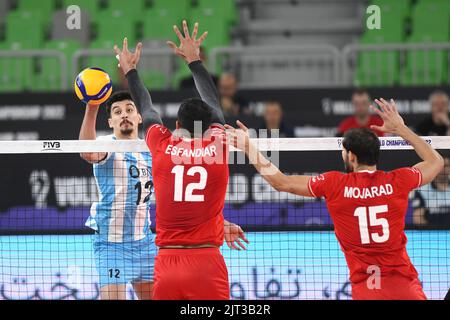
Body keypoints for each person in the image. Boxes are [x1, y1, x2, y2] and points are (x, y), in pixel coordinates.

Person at [226, 98, 444, 300]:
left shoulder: (334, 184)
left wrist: (248, 148)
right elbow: (436, 161)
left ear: (351, 156)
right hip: (405, 287)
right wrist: (402, 129)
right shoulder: (399, 180)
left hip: (367, 289)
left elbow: (280, 182)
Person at [114, 21, 249, 300]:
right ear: (212, 126)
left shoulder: (162, 146)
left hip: (168, 263)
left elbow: (147, 109)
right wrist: (194, 60)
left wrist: (130, 71)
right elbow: (214, 105)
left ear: (176, 124)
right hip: (207, 262)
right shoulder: (219, 145)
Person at [79, 91, 156, 300]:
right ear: (111, 121)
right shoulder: (107, 145)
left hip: (146, 245)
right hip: (112, 247)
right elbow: (87, 153)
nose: (124, 115)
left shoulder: (150, 149)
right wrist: (92, 107)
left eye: (129, 110)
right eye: (117, 111)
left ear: (139, 117)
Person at [412, 155, 450, 226]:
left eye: (446, 166)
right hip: (432, 232)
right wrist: (431, 231)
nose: (442, 169)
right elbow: (417, 218)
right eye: (440, 166)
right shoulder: (422, 189)